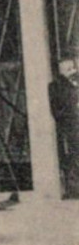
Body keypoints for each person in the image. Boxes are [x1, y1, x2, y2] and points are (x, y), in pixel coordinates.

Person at [49, 58, 79, 200]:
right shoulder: (56, 86)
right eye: (69, 69)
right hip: (70, 128)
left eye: (74, 68)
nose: (74, 71)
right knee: (72, 158)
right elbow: (56, 111)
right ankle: (73, 189)